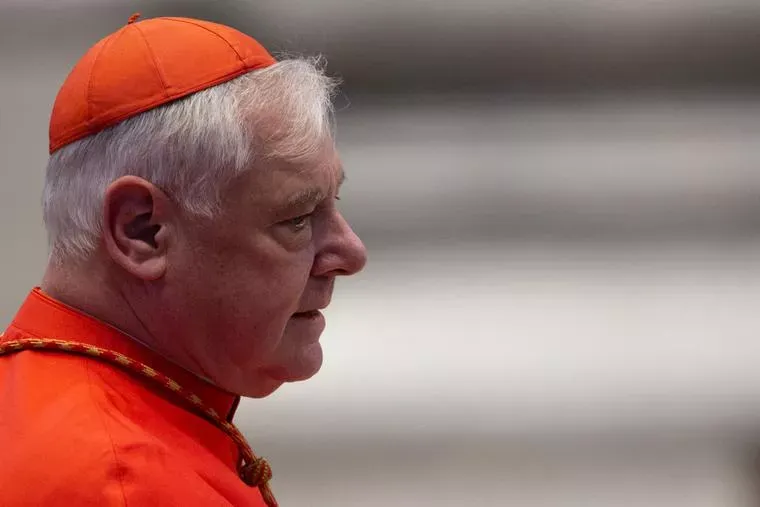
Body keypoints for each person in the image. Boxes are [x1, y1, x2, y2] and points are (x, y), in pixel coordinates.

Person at [0, 13, 366, 507]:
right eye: (297, 218)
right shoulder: (122, 483)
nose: (351, 253)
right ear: (142, 231)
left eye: (332, 204)